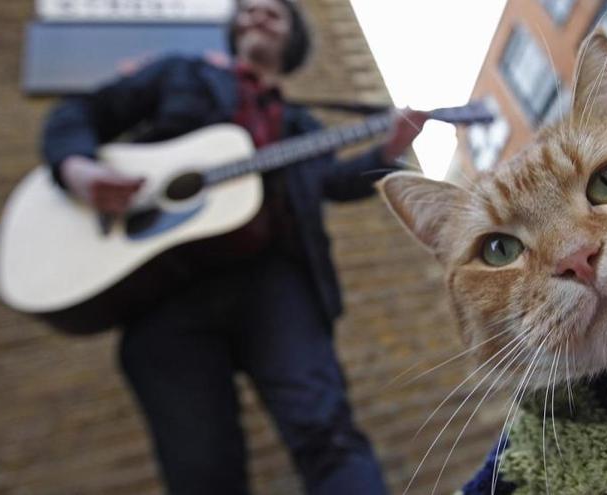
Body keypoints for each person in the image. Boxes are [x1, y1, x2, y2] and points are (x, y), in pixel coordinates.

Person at [40, 0, 428, 493]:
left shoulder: (302, 125)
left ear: (293, 41)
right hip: (163, 295)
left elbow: (333, 181)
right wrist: (78, 168)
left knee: (328, 434)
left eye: (274, 13)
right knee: (202, 471)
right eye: (248, 9)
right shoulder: (180, 74)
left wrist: (388, 151)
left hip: (277, 287)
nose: (257, 15)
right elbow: (77, 113)